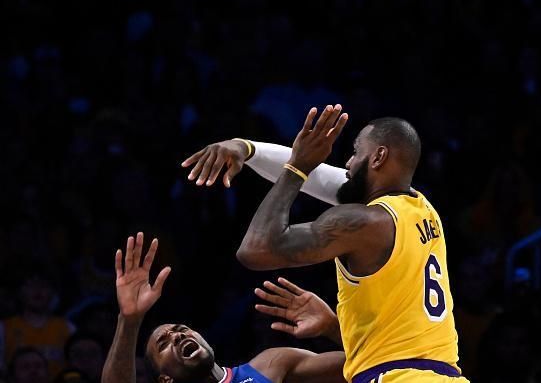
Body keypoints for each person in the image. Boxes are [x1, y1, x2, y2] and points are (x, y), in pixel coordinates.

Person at [182, 105, 469, 382]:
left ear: (378, 157)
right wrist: (246, 148)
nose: (347, 162)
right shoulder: (422, 210)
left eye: (356, 152)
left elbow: (256, 249)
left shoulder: (366, 223)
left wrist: (297, 167)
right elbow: (325, 180)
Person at [101, 232, 346, 383]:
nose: (177, 335)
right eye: (163, 344)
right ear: (166, 379)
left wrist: (333, 328)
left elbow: (367, 368)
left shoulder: (271, 365)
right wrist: (129, 320)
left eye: (182, 329)